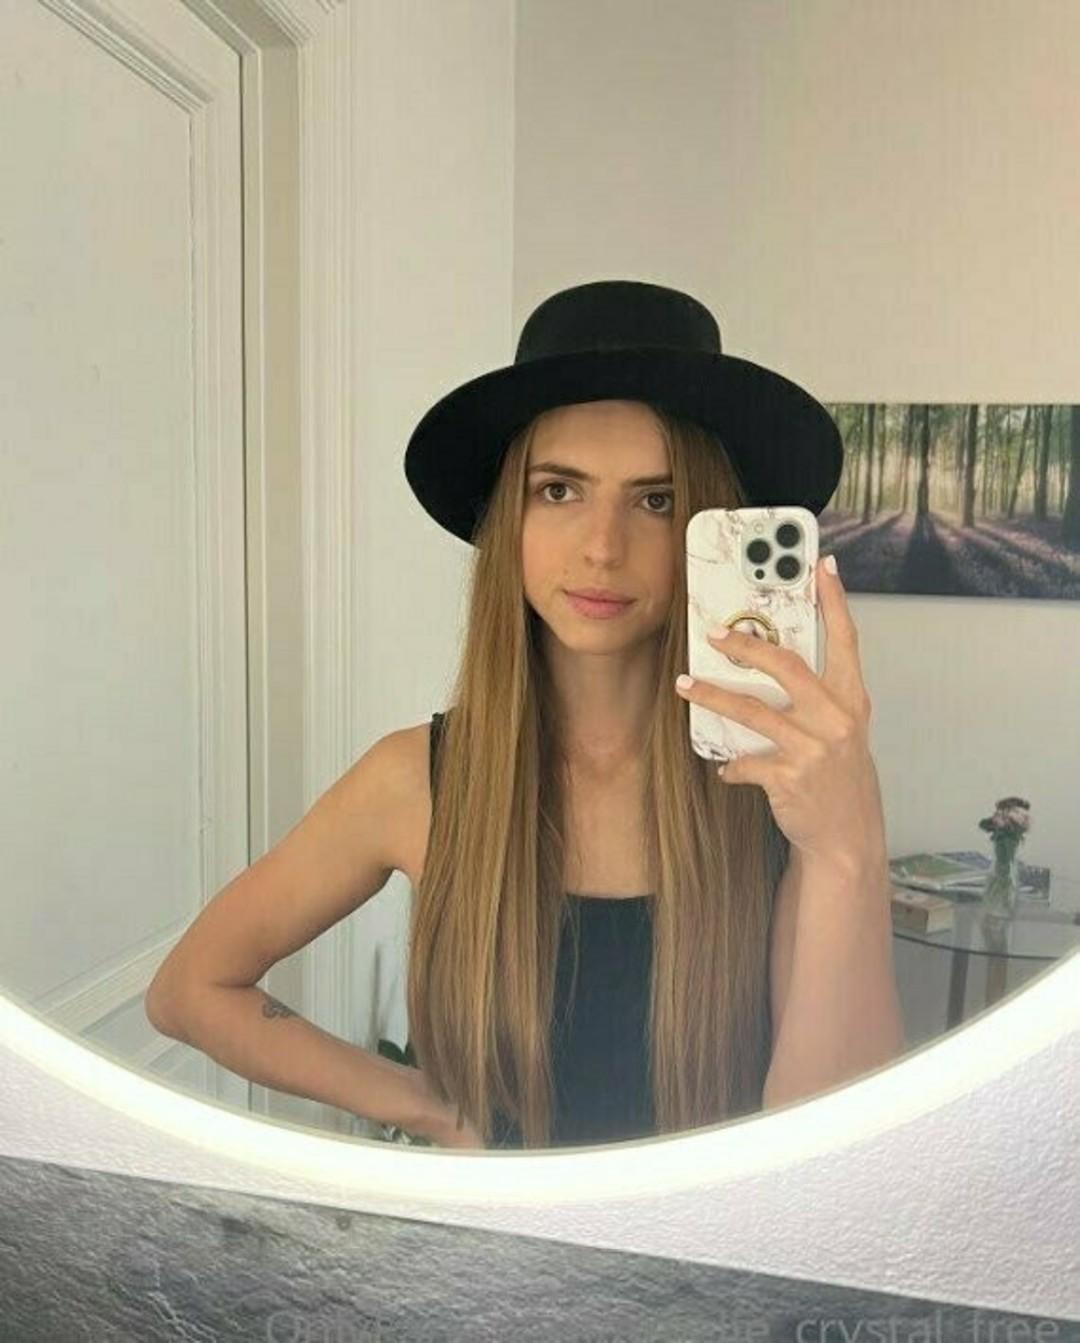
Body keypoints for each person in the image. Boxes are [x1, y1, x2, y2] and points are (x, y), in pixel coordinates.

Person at [147, 279, 902, 1152]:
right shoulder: (414, 780)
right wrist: (425, 1106)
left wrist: (845, 846)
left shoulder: (785, 784)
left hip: (707, 1244)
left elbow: (831, 1143)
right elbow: (190, 988)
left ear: (712, 531)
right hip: (481, 1243)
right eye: (559, 490)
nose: (602, 546)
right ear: (509, 516)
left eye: (656, 500)